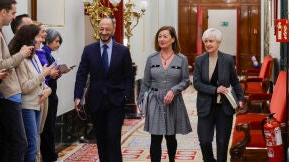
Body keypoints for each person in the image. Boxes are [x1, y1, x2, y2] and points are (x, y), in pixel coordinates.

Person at [74, 16, 133, 162]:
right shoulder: (89, 50)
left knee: (113, 138)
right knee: (101, 139)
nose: (104, 32)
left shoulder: (123, 51)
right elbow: (81, 74)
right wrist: (77, 96)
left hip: (116, 101)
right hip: (96, 101)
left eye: (107, 29)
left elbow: (129, 76)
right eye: (101, 29)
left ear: (113, 30)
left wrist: (126, 95)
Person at [0, 0, 33, 162]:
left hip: (10, 93)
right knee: (19, 143)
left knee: (7, 144)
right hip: (7, 93)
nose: (14, 17)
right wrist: (21, 54)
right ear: (3, 11)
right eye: (13, 13)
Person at [137, 26, 192, 162]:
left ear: (173, 39)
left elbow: (185, 81)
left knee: (170, 136)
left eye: (165, 36)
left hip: (173, 101)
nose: (161, 39)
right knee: (155, 137)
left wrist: (174, 90)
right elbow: (146, 82)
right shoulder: (151, 58)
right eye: (159, 36)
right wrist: (140, 100)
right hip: (155, 100)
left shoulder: (181, 59)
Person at [193, 28, 244, 162]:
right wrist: (214, 90)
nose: (208, 44)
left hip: (224, 108)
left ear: (219, 43)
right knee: (204, 141)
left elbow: (235, 81)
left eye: (211, 41)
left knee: (222, 143)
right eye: (206, 41)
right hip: (205, 107)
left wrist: (240, 98)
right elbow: (197, 84)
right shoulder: (200, 60)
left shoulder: (227, 60)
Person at [9, 24, 54, 162]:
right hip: (27, 106)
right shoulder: (20, 59)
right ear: (29, 39)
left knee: (35, 144)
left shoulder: (34, 56)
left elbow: (43, 83)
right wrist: (43, 75)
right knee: (31, 145)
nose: (41, 40)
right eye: (38, 37)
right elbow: (24, 87)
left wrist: (48, 90)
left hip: (38, 103)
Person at [36, 29, 63, 162]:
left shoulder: (49, 54)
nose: (58, 44)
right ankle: (49, 156)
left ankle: (51, 155)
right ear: (48, 40)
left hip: (51, 93)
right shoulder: (43, 53)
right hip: (46, 94)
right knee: (47, 128)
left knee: (50, 126)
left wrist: (57, 74)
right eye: (56, 41)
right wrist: (51, 75)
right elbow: (43, 76)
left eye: (59, 42)